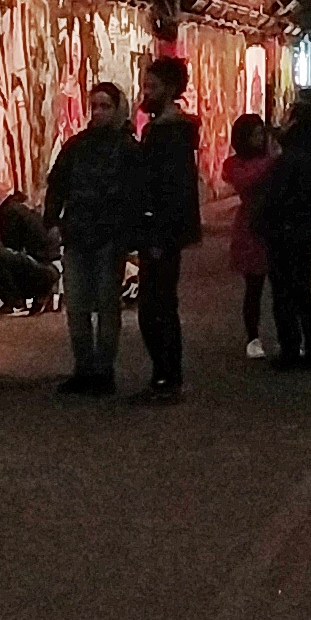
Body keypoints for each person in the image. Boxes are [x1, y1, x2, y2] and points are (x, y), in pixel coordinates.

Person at [45, 84, 140, 395]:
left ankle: (102, 371)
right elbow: (57, 183)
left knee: (107, 305)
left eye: (105, 106)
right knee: (77, 306)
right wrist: (52, 221)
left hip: (108, 238)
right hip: (78, 235)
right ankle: (84, 368)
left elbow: (134, 194)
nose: (98, 112)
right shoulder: (78, 146)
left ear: (117, 108)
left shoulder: (126, 149)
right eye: (95, 106)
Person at [130, 56, 202, 402]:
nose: (146, 92)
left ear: (170, 89)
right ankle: (165, 377)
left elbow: (168, 190)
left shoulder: (166, 134)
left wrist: (157, 233)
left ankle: (166, 378)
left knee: (155, 309)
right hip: (164, 232)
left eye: (152, 86)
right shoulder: (171, 131)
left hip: (160, 233)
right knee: (158, 306)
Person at [253, 101, 311, 369]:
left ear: (295, 121)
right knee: (302, 292)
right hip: (305, 230)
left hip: (286, 232)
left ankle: (291, 350)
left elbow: (276, 197)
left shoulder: (290, 158)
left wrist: (263, 222)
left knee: (285, 293)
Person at [221, 114, 279, 359]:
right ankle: (253, 337)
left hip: (274, 225)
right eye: (255, 134)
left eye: (261, 133)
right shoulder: (235, 164)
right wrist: (273, 161)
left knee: (281, 287)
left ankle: (286, 336)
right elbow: (246, 180)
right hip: (251, 227)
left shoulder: (270, 160)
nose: (260, 138)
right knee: (254, 287)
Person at [0, 190, 57, 317]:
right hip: (44, 268)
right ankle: (12, 299)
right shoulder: (18, 209)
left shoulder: (10, 212)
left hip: (42, 271)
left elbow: (10, 248)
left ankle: (14, 300)